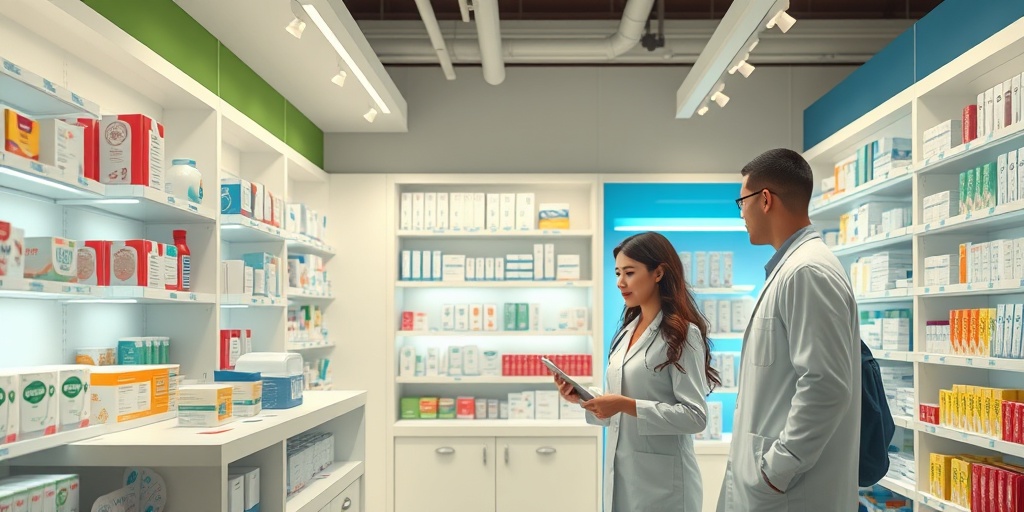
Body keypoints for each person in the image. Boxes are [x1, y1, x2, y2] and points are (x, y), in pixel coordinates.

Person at [716, 148, 861, 511]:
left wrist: (777, 469)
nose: (741, 214)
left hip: (792, 491)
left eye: (742, 202)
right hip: (773, 486)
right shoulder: (793, 269)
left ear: (765, 199)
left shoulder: (806, 272)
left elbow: (826, 385)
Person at [555, 231, 720, 512]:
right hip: (625, 477)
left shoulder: (682, 335)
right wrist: (586, 398)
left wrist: (625, 405)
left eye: (629, 273)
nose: (620, 282)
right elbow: (623, 399)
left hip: (665, 488)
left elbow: (695, 417)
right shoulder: (625, 333)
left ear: (658, 273)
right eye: (618, 273)